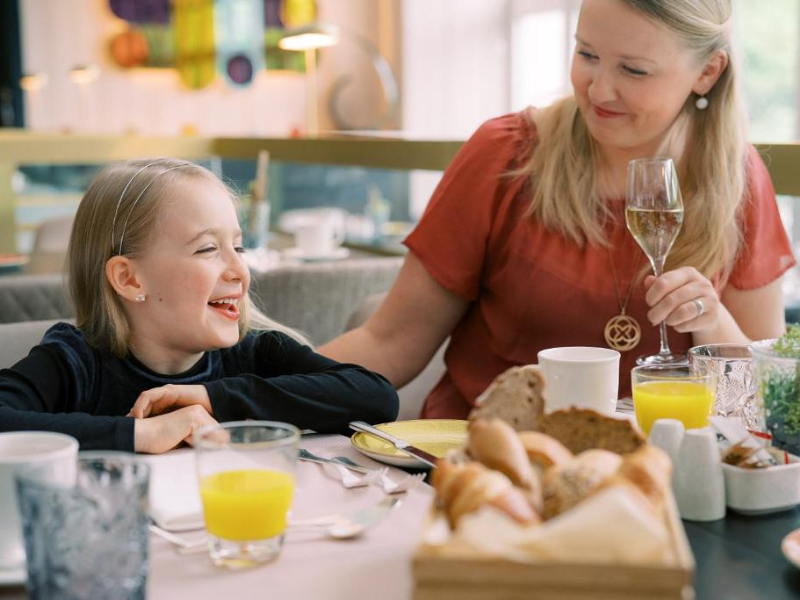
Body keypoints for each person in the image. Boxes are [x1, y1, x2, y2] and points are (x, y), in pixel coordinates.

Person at [320, 0, 795, 419]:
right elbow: (389, 343)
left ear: (707, 72)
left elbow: (757, 402)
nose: (599, 90)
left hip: (656, 480)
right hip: (487, 463)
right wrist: (258, 386)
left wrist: (710, 322)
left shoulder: (737, 178)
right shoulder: (504, 155)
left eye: (634, 70)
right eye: (587, 54)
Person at [0, 158, 398, 452]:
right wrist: (143, 434)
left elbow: (375, 396)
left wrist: (215, 399)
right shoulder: (77, 362)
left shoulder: (252, 354)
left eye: (238, 247)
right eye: (208, 249)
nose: (240, 269)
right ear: (129, 278)